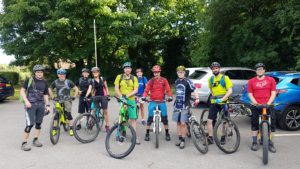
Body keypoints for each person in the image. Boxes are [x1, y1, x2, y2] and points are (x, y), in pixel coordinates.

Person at [20, 65, 50, 151]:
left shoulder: (44, 82)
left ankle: (35, 140)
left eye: (41, 72)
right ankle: (24, 143)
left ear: (42, 73)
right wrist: (26, 101)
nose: (39, 73)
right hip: (30, 105)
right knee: (30, 124)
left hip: (41, 105)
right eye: (38, 72)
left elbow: (45, 94)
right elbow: (22, 90)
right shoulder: (29, 80)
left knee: (38, 123)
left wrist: (47, 105)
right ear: (35, 73)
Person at [248, 63, 277, 153]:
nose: (259, 71)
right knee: (254, 122)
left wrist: (268, 103)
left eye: (261, 69)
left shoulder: (271, 80)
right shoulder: (251, 81)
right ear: (256, 71)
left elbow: (273, 93)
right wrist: (255, 103)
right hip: (256, 104)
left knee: (273, 121)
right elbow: (250, 94)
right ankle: (254, 142)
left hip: (268, 104)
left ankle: (270, 142)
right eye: (257, 69)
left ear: (264, 70)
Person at [142, 65, 173, 142]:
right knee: (149, 118)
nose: (156, 74)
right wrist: (144, 96)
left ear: (160, 72)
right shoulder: (151, 81)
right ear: (153, 73)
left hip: (162, 101)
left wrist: (170, 96)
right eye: (155, 72)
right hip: (152, 101)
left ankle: (167, 133)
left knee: (165, 118)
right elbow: (146, 90)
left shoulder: (164, 80)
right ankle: (147, 133)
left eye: (157, 72)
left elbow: (168, 89)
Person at [173, 66, 199, 149]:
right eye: (179, 72)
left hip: (185, 104)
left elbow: (194, 89)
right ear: (177, 73)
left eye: (182, 72)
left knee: (183, 123)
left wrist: (197, 98)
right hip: (177, 105)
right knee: (178, 122)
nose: (180, 73)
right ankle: (180, 138)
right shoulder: (176, 81)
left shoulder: (188, 81)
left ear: (184, 73)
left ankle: (183, 141)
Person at [207, 62, 233, 145]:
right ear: (212, 70)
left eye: (216, 68)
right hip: (214, 102)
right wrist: (214, 98)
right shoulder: (210, 79)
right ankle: (210, 137)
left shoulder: (225, 78)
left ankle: (223, 136)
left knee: (224, 121)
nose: (215, 70)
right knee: (209, 120)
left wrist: (222, 99)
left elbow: (230, 91)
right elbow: (211, 91)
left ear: (219, 69)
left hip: (224, 102)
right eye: (213, 68)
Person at [114, 62, 140, 144]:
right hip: (122, 99)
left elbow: (136, 90)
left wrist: (127, 95)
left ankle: (134, 135)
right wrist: (121, 96)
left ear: (131, 69)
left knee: (133, 118)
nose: (127, 69)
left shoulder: (134, 78)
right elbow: (116, 88)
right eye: (125, 68)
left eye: (129, 68)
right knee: (122, 116)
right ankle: (123, 132)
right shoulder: (119, 77)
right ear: (124, 69)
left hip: (131, 99)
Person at [48, 69, 78, 136]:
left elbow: (76, 89)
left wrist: (74, 96)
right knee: (55, 115)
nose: (62, 75)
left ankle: (71, 128)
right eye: (60, 74)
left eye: (63, 74)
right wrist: (52, 96)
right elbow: (49, 89)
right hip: (58, 100)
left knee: (68, 114)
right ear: (58, 75)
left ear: (65, 75)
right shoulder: (55, 82)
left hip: (67, 100)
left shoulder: (68, 81)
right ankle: (55, 128)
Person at [85, 67, 110, 132]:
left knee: (105, 111)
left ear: (99, 73)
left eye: (96, 72)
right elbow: (89, 89)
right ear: (92, 73)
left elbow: (106, 87)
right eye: (93, 72)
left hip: (103, 96)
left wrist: (108, 95)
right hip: (95, 97)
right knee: (94, 110)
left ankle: (107, 126)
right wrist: (86, 96)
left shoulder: (102, 79)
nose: (95, 73)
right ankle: (92, 123)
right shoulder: (91, 80)